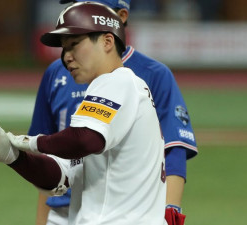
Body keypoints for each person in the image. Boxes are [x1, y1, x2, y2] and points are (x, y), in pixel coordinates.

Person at [0, 2, 167, 224]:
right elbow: (58, 177)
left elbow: (84, 140)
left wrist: (30, 142)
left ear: (107, 41)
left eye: (74, 44)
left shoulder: (120, 81)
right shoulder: (110, 98)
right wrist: (13, 156)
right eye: (64, 48)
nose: (66, 57)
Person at [31, 0, 198, 224]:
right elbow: (48, 156)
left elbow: (174, 148)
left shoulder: (151, 74)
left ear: (121, 16)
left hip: (123, 211)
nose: (79, 11)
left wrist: (171, 209)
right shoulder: (57, 73)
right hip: (64, 208)